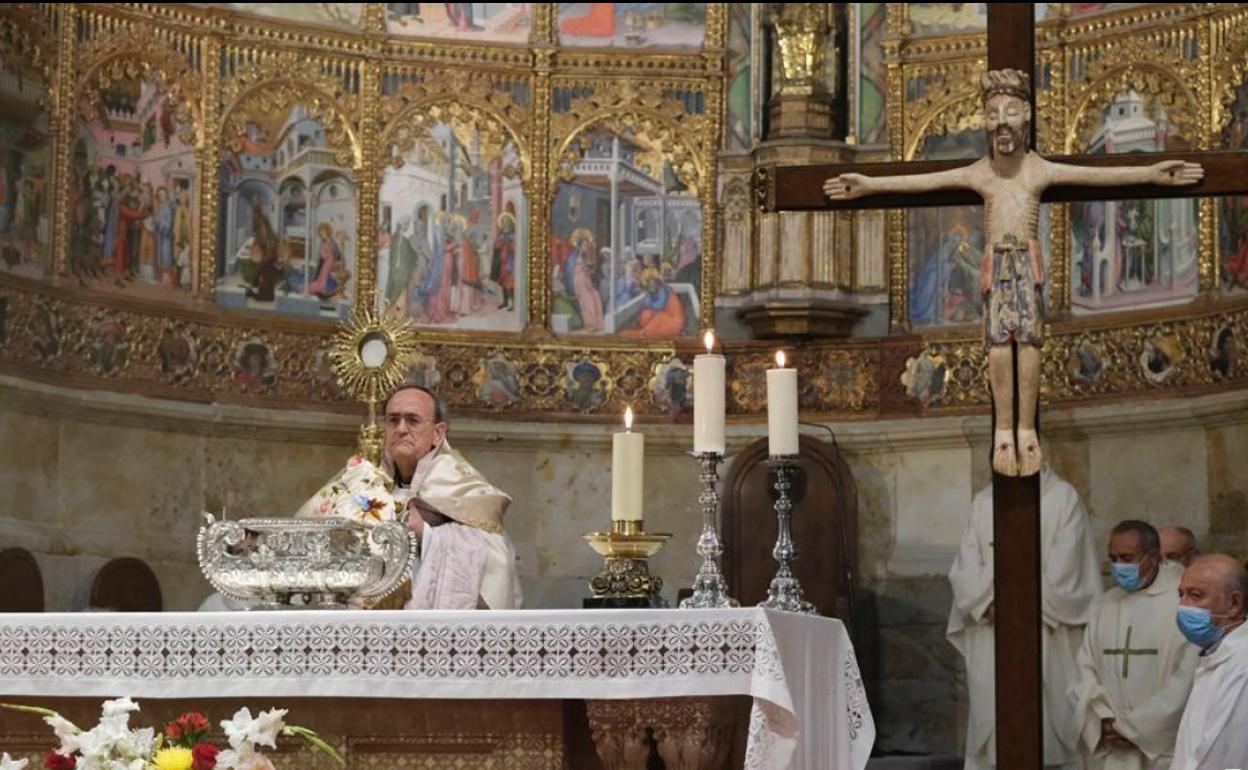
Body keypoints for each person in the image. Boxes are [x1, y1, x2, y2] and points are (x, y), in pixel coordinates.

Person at [826, 69, 1203, 477]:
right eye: (992, 115)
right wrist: (869, 185)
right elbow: (924, 182)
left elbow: (1099, 175)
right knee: (997, 346)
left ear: (1027, 116)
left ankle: (1026, 429)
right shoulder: (981, 173)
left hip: (1026, 264)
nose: (1002, 123)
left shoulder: (1038, 170)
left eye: (1010, 112)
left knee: (1029, 343)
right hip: (997, 266)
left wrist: (1151, 173)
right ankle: (1003, 430)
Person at [298, 384, 520, 610]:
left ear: (438, 433)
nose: (401, 429)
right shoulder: (360, 481)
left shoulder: (460, 487)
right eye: (393, 420)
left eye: (413, 420)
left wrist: (426, 534)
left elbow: (497, 558)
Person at [947, 463, 1102, 770]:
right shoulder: (984, 502)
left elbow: (1068, 570)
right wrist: (989, 604)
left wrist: (1018, 603)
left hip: (1045, 629)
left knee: (1049, 729)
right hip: (993, 628)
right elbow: (965, 568)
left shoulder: (1062, 497)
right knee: (994, 722)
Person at [1069, 521, 1198, 770]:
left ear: (1153, 557)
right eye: (1113, 558)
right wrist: (1102, 719)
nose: (1119, 566)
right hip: (1112, 747)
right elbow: (1084, 669)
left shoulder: (1181, 603)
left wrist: (1135, 729)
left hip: (1160, 751)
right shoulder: (1105, 605)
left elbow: (1186, 679)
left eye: (1127, 558)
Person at [1170, 555, 1248, 770]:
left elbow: (1224, 756)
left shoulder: (1242, 666)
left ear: (1234, 604)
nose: (1183, 606)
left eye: (1196, 595)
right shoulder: (1217, 656)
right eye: (1181, 594)